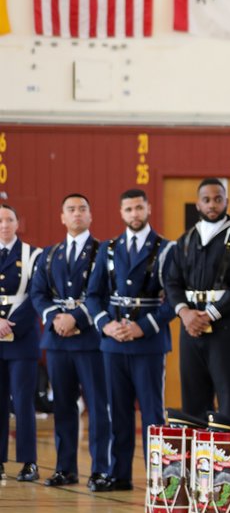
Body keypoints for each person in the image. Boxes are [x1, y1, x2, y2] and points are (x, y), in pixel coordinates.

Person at [85, 189, 176, 491]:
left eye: (139, 208)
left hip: (148, 343)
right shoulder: (108, 249)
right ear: (121, 213)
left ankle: (159, 477)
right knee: (118, 410)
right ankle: (119, 474)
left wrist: (143, 328)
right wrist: (105, 325)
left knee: (152, 413)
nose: (134, 214)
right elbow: (94, 295)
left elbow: (174, 301)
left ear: (149, 208)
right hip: (113, 342)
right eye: (128, 209)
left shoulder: (166, 249)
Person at [30, 194, 112, 489]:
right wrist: (55, 318)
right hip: (58, 342)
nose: (77, 214)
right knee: (64, 406)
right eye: (71, 210)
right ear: (62, 217)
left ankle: (102, 469)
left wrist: (76, 318)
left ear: (90, 216)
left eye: (82, 209)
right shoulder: (50, 254)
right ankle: (65, 468)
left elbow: (105, 295)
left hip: (90, 341)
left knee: (98, 406)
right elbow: (38, 293)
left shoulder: (104, 252)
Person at [164, 179, 230, 424]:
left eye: (218, 199)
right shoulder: (184, 241)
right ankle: (199, 461)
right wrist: (185, 313)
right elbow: (172, 282)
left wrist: (211, 314)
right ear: (198, 204)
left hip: (226, 328)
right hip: (191, 330)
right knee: (193, 398)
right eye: (206, 200)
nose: (212, 204)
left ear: (226, 201)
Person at [0, 205, 44, 482]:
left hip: (22, 337)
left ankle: (29, 462)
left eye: (9, 219)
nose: (4, 224)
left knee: (23, 401)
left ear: (18, 222)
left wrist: (10, 324)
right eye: (0, 221)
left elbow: (36, 295)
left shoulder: (33, 255)